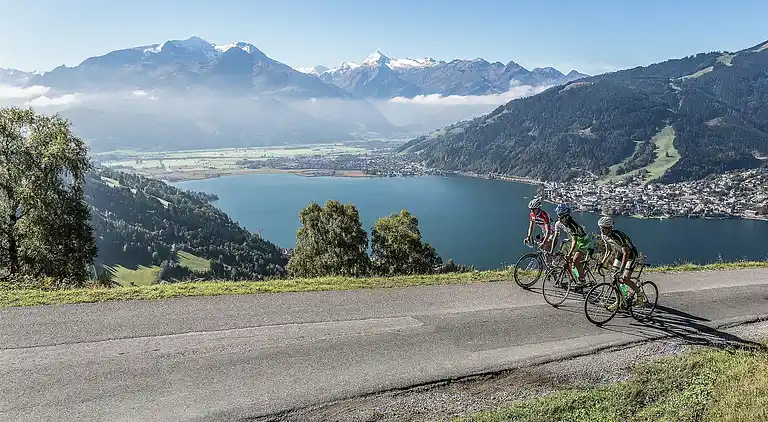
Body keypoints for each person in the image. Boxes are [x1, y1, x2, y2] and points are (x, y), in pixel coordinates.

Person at [597, 216, 645, 306]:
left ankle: (639, 294)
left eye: (604, 228)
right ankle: (621, 301)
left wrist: (622, 269)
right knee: (614, 277)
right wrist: (602, 263)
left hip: (631, 254)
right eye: (601, 228)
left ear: (610, 228)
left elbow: (626, 253)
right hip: (620, 254)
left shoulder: (617, 236)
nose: (602, 230)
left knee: (625, 279)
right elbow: (609, 251)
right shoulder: (604, 236)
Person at [551, 204, 590, 287]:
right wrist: (551, 250)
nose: (559, 219)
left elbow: (575, 241)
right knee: (566, 257)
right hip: (573, 240)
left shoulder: (573, 225)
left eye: (561, 217)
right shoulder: (558, 224)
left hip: (583, 241)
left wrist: (570, 253)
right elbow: (555, 237)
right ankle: (573, 277)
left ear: (566, 217)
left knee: (575, 260)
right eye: (558, 217)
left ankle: (582, 280)